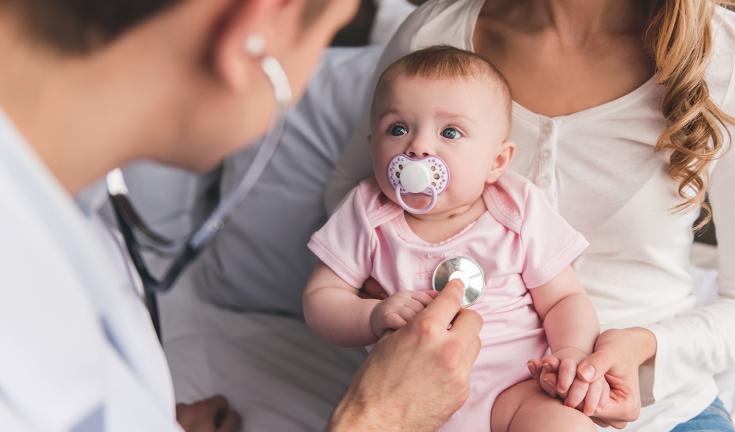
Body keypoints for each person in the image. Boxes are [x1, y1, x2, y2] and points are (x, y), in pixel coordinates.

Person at [0, 0, 482, 431]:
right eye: (321, 40)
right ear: (252, 33)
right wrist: (380, 418)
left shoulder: (68, 211)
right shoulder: (32, 371)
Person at [325, 0, 735, 431]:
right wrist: (382, 305)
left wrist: (642, 347)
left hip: (664, 410)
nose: (418, 147)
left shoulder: (728, 57)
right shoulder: (433, 34)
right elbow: (352, 198)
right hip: (432, 405)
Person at [304, 46, 605, 431]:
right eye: (397, 129)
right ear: (372, 145)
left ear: (496, 161)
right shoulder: (366, 212)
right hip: (405, 402)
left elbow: (564, 298)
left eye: (450, 132)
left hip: (517, 393)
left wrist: (571, 353)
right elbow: (321, 299)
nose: (418, 147)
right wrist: (373, 315)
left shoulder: (517, 208)